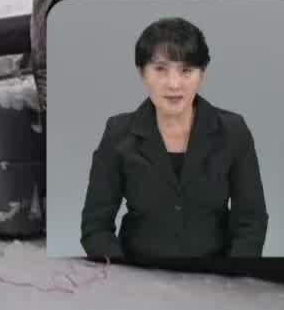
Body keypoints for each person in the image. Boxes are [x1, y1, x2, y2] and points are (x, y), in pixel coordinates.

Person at [80, 16, 269, 263]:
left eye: (186, 70)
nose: (173, 84)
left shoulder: (233, 130)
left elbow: (251, 220)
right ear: (141, 73)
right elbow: (95, 228)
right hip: (139, 275)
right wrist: (125, 280)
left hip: (216, 277)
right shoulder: (118, 132)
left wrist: (232, 278)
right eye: (160, 69)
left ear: (202, 74)